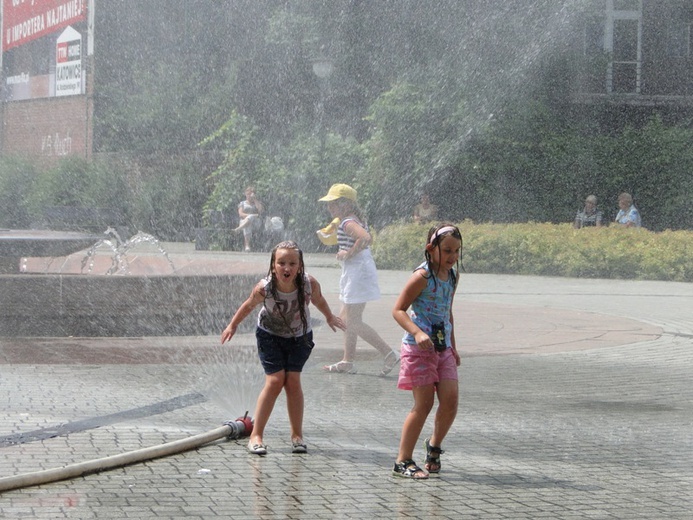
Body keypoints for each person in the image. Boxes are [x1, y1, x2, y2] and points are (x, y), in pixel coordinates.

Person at [221, 240, 346, 455]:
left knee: (293, 382)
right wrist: (233, 325)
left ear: (300, 266)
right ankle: (256, 436)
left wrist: (329, 317)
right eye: (281, 263)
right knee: (275, 380)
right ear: (273, 266)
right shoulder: (265, 288)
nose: (286, 268)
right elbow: (248, 305)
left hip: (300, 337)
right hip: (270, 336)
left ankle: (297, 435)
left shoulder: (309, 284)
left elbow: (319, 300)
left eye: (292, 263)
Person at [391, 223, 462, 479]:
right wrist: (417, 332)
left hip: (443, 348)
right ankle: (403, 460)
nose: (452, 257)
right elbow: (398, 309)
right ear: (431, 249)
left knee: (451, 400)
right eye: (447, 251)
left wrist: (453, 346)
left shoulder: (453, 276)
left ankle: (434, 446)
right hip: (418, 348)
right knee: (424, 404)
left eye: (456, 251)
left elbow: (447, 311)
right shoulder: (422, 277)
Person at [318, 183, 400, 376]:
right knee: (346, 318)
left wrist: (348, 254)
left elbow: (365, 238)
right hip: (356, 271)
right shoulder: (348, 220)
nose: (329, 208)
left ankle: (389, 353)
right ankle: (348, 361)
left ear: (345, 205)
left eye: (333, 204)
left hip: (358, 271)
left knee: (351, 321)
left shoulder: (348, 222)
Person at [234, 186, 265, 252]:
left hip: (256, 223)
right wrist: (251, 215)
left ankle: (239, 229)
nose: (249, 196)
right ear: (245, 194)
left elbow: (261, 210)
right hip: (244, 221)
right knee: (248, 222)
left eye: (251, 194)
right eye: (248, 194)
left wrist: (255, 200)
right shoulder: (242, 203)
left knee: (248, 221)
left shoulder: (257, 203)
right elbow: (241, 214)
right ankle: (247, 245)